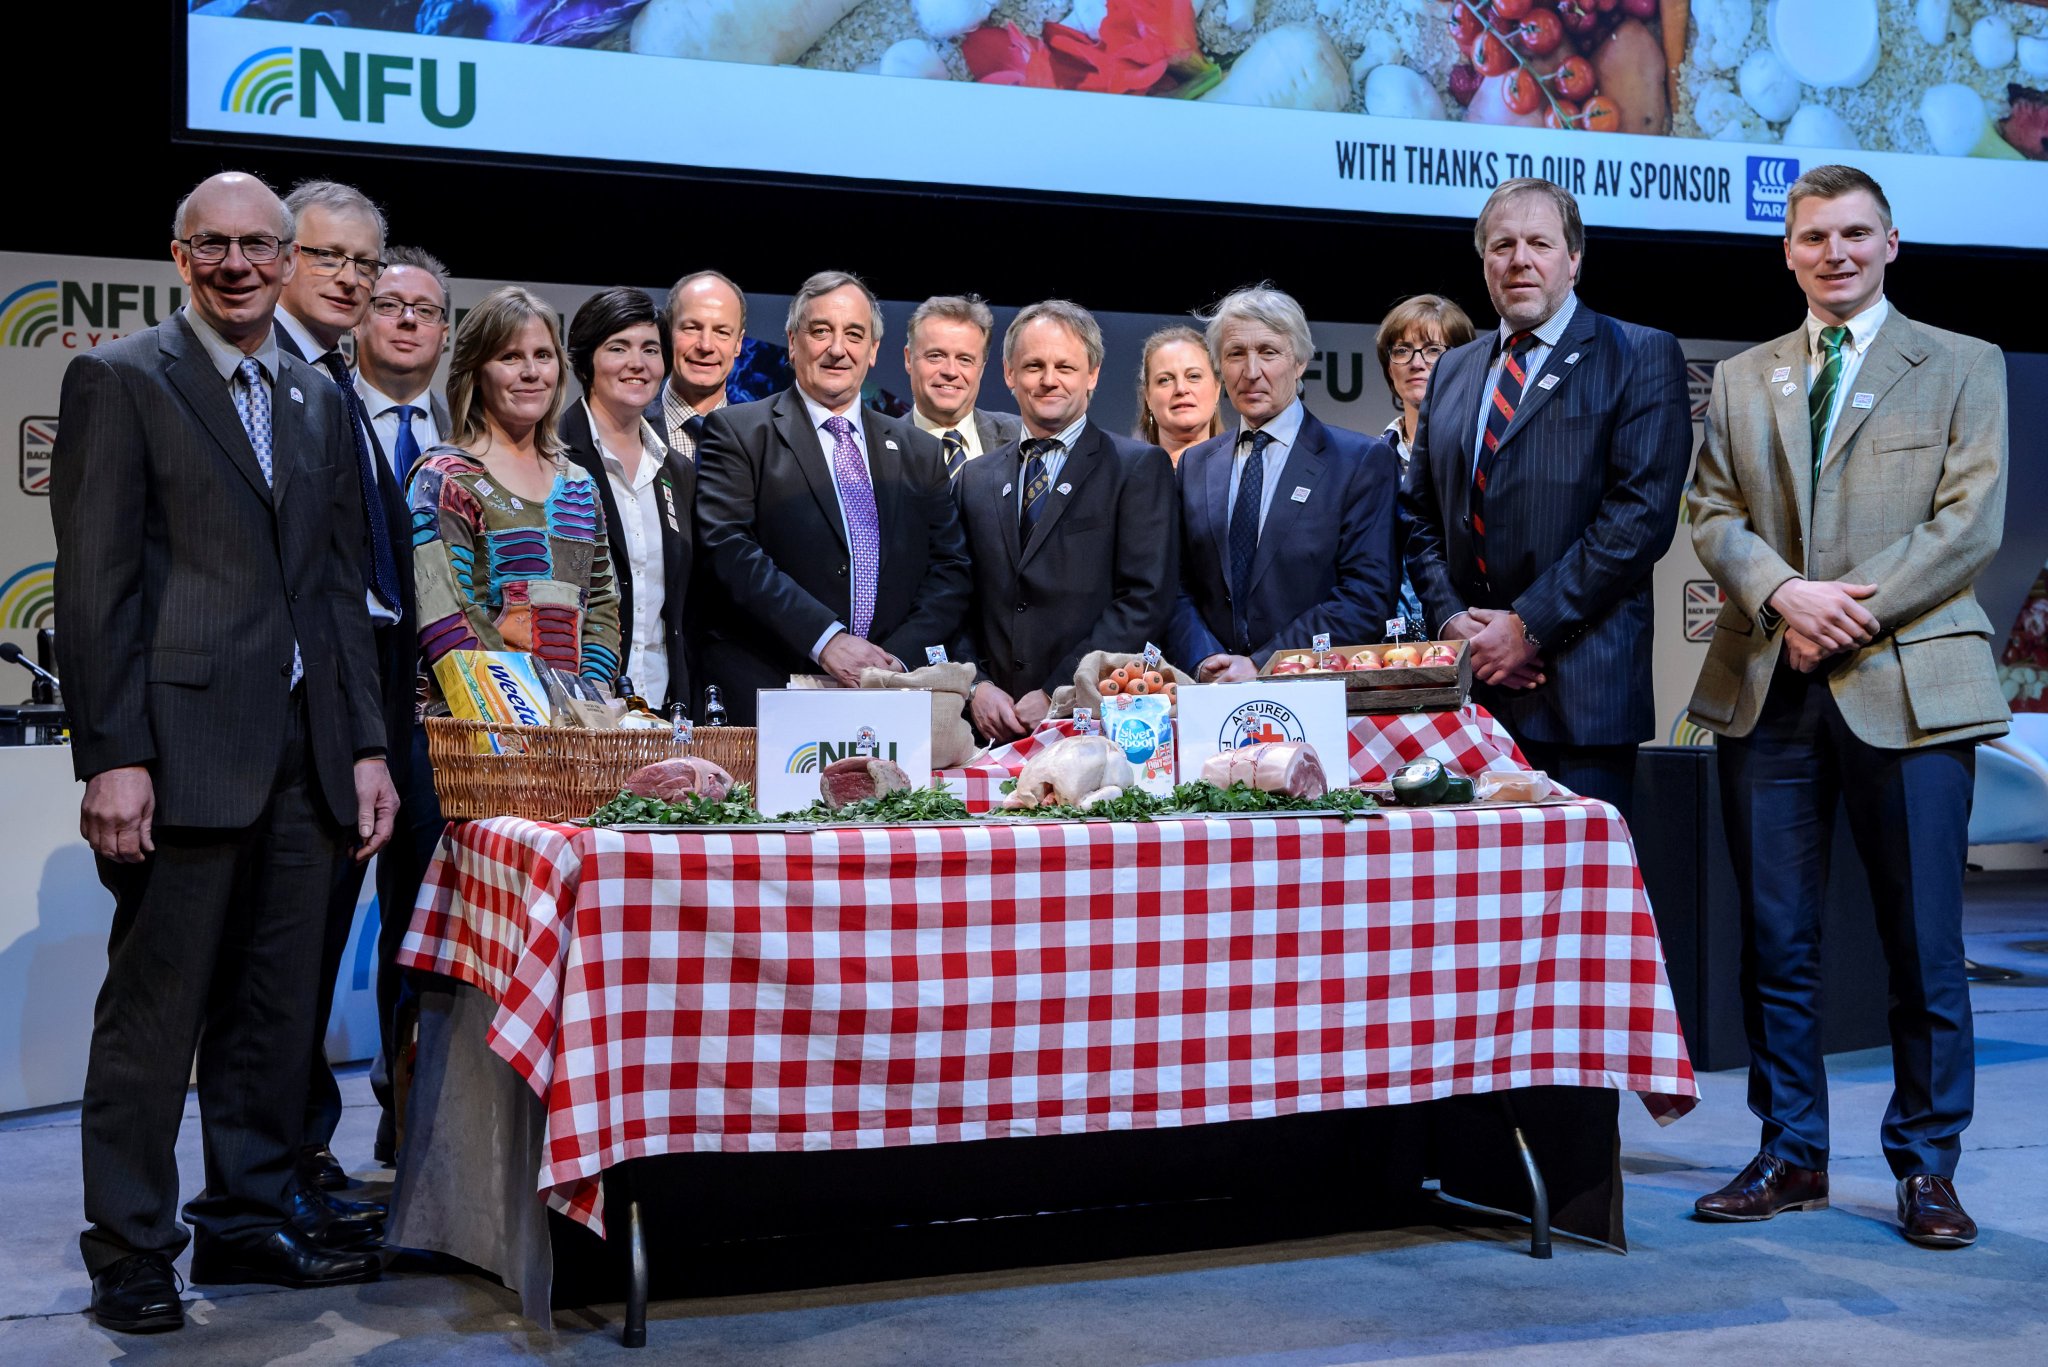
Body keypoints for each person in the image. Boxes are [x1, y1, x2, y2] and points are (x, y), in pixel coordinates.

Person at [51, 170, 395, 1333]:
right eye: (217, 245)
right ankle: (130, 1250)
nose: (240, 263)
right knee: (154, 1023)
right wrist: (113, 755)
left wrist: (360, 745)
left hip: (306, 761)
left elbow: (334, 593)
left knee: (272, 1013)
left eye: (261, 244)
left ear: (287, 255)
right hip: (181, 754)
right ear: (179, 254)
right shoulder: (119, 377)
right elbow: (94, 591)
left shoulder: (307, 393)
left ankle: (246, 1224)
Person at [1686, 166, 2009, 1248]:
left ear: (1891, 243)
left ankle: (1926, 1166)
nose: (1834, 252)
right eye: (1813, 235)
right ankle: (1789, 1153)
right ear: (1785, 251)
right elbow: (1710, 508)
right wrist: (1782, 593)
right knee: (1775, 943)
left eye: (1854, 233)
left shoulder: (1962, 364)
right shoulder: (1739, 378)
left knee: (1921, 944)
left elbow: (1967, 525)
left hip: (1910, 685)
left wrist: (1843, 610)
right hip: (1768, 685)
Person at [1401, 178, 1691, 820]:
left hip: (1579, 695)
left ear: (1574, 258)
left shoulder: (1639, 354)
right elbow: (1417, 515)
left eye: (1539, 243)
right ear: (1484, 263)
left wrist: (1528, 627)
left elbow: (1638, 520)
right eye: (1502, 245)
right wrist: (1455, 625)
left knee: (1579, 912)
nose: (1519, 259)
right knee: (1469, 911)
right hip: (1471, 691)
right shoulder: (1453, 370)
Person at [271, 179, 408, 1218]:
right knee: (266, 977)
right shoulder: (278, 381)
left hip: (361, 721)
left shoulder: (329, 389)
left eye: (365, 263)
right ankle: (261, 1187)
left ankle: (294, 1164)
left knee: (309, 962)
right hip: (266, 727)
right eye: (334, 259)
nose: (354, 282)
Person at [694, 270, 970, 726]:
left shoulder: (920, 450)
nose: (837, 349)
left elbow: (951, 571)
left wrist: (890, 664)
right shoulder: (739, 432)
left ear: (874, 350)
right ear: (793, 341)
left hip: (888, 698)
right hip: (773, 691)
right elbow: (730, 550)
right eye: (821, 331)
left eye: (854, 334)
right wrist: (826, 639)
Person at [954, 300, 1177, 742]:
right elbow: (956, 600)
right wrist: (976, 686)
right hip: (990, 726)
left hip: (1093, 724)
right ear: (1008, 374)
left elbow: (1144, 601)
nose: (1049, 380)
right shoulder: (974, 479)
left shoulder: (1137, 467)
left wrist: (1059, 689)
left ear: (1092, 374)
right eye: (1034, 365)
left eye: (1065, 367)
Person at [352, 243, 454, 1169]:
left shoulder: (464, 442)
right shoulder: (325, 416)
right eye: (390, 303)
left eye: (425, 308)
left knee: (421, 923)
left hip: (437, 720)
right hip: (338, 707)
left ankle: (404, 1112)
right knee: (303, 938)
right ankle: (296, 1154)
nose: (408, 320)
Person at [1167, 286, 1402, 683]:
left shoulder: (1359, 461)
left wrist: (1263, 663)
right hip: (1209, 690)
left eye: (1269, 352)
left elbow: (1366, 597)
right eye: (1236, 354)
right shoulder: (1195, 463)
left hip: (1313, 691)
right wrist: (1205, 659)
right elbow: (1175, 585)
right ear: (1220, 366)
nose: (1251, 371)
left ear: (1300, 362)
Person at [411, 286, 623, 692]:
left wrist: (586, 702)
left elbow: (601, 605)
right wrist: (524, 710)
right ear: (475, 370)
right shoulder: (446, 478)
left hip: (573, 736)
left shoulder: (579, 484)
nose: (531, 372)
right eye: (510, 357)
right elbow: (448, 619)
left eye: (543, 356)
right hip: (483, 731)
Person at [562, 286, 695, 713]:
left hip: (659, 708)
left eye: (650, 350)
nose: (637, 364)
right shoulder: (551, 453)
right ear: (587, 362)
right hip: (575, 709)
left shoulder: (677, 470)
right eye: (618, 347)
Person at [1375, 294, 1477, 628]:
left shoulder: (1483, 453)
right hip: (1388, 646)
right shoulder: (1369, 462)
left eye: (1433, 350)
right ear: (1390, 367)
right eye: (1402, 350)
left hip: (1471, 634)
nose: (1416, 363)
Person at [903, 293, 1020, 475]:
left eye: (965, 359)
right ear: (908, 359)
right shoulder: (878, 448)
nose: (950, 371)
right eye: (936, 356)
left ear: (981, 368)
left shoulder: (1020, 436)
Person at [658, 269, 746, 463]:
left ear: (738, 343)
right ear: (667, 332)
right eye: (691, 328)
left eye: (722, 332)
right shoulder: (626, 425)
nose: (705, 345)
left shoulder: (758, 440)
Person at [1134, 324, 1225, 463]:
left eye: (1193, 376)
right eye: (1165, 380)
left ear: (1217, 387)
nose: (1181, 389)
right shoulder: (1125, 477)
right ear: (1148, 396)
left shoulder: (1239, 474)